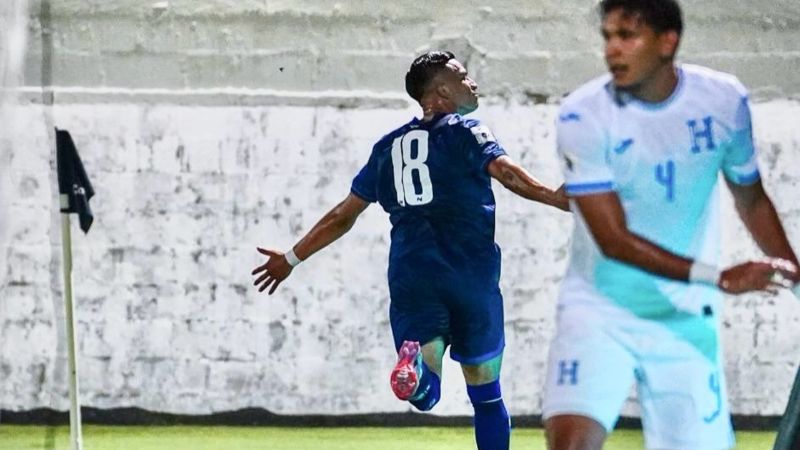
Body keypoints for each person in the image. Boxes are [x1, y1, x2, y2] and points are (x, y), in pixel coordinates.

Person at [252, 50, 568, 450]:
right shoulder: (465, 130)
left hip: (413, 276)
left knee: (428, 392)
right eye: (463, 76)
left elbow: (342, 216)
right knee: (487, 396)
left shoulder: (387, 149)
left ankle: (416, 373)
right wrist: (554, 197)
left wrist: (291, 258)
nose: (473, 83)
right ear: (441, 91)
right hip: (471, 275)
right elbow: (504, 172)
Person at [545, 1, 800, 449]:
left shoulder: (724, 101)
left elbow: (751, 198)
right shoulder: (581, 115)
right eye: (607, 36)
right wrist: (717, 277)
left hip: (683, 316)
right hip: (599, 308)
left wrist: (795, 276)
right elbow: (613, 240)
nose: (613, 50)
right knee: (570, 444)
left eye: (628, 36)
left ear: (668, 42)